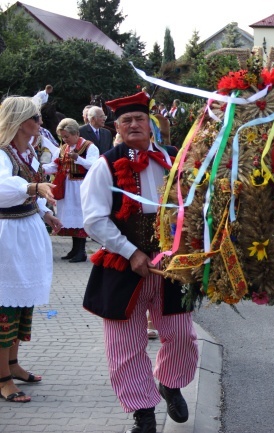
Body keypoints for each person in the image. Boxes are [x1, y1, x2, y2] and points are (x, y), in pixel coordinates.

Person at [80, 92, 198, 433]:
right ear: (117, 127)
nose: (134, 125)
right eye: (126, 120)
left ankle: (170, 383)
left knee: (181, 335)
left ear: (151, 125)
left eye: (139, 119)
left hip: (171, 265)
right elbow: (94, 219)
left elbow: (195, 204)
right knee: (125, 345)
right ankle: (143, 412)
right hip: (123, 263)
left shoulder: (175, 159)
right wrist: (131, 252)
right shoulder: (106, 163)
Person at [0, 96, 61, 403]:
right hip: (6, 236)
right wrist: (33, 189)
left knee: (21, 303)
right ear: (22, 121)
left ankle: (13, 364)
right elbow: (3, 189)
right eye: (36, 118)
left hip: (24, 232)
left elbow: (31, 189)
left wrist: (44, 212)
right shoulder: (1, 154)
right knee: (4, 306)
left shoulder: (25, 154)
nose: (40, 123)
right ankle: (2, 378)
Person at [45, 118, 99, 263]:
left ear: (75, 133)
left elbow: (94, 165)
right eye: (62, 137)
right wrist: (40, 168)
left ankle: (81, 252)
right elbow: (55, 166)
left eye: (67, 136)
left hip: (81, 186)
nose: (64, 139)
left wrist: (78, 159)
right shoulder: (63, 148)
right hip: (67, 187)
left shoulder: (89, 147)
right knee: (70, 219)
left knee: (80, 218)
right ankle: (75, 249)